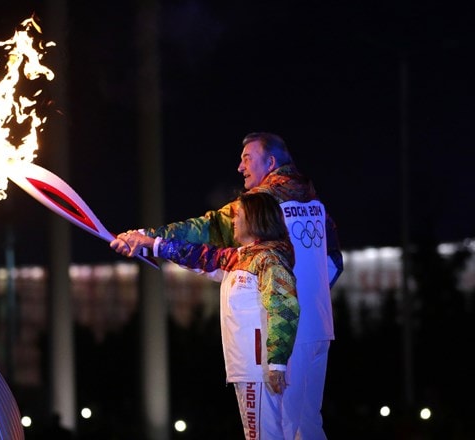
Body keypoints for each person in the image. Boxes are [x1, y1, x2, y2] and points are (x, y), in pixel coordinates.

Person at [112, 132, 343, 439]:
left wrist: (146, 236)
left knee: (276, 429)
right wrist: (307, 297)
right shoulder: (316, 204)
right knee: (308, 427)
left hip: (283, 334)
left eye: (247, 158)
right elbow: (335, 263)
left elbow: (205, 230)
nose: (240, 166)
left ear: (271, 162)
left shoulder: (262, 204)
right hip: (318, 330)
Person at [114, 192, 299, 439]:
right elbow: (197, 255)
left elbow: (284, 307)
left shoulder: (269, 259)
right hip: (248, 369)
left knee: (264, 435)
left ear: (255, 220)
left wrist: (276, 363)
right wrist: (149, 243)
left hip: (260, 369)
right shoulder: (239, 257)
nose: (233, 222)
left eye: (239, 216)